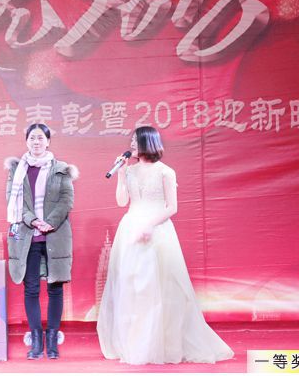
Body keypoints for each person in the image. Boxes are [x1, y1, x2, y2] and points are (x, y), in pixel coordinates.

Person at [97, 126, 234, 365]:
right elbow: (121, 202)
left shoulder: (165, 172)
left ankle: (163, 344)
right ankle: (136, 344)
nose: (131, 144)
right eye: (131, 140)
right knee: (132, 287)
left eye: (135, 140)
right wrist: (120, 174)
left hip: (157, 231)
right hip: (130, 229)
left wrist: (149, 225)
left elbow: (172, 207)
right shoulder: (129, 171)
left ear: (147, 143)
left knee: (160, 287)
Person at [5, 123, 78, 360]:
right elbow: (13, 200)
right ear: (26, 141)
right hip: (28, 235)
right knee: (32, 288)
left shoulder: (62, 169)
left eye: (40, 138)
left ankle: (52, 341)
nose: (36, 142)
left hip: (55, 235)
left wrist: (50, 222)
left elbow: (66, 200)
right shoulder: (17, 169)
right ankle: (36, 341)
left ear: (48, 141)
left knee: (55, 287)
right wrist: (34, 221)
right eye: (32, 138)